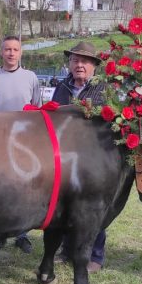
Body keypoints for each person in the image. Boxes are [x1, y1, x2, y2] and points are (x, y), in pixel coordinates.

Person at [52, 41, 107, 272]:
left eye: (85, 61)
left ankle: (95, 255)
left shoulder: (104, 89)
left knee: (93, 208)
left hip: (92, 158)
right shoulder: (62, 87)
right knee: (65, 207)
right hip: (63, 157)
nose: (79, 65)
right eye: (75, 60)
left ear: (94, 65)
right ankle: (66, 250)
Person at [0, 36, 41, 253]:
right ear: (1, 52)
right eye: (7, 49)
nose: (11, 53)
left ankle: (22, 233)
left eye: (15, 49)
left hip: (25, 143)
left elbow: (37, 109)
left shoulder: (31, 77)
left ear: (20, 53)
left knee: (24, 189)